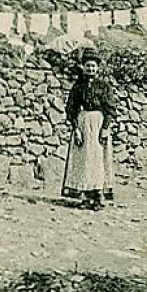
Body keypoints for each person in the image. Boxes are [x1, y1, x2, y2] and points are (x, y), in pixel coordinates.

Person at [62, 53, 117, 210]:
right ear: (83, 67)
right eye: (88, 66)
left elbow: (110, 109)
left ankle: (98, 195)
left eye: (93, 66)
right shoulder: (78, 86)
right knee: (84, 159)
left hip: (98, 123)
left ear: (98, 68)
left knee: (98, 158)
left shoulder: (104, 86)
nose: (91, 68)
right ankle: (85, 196)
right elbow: (71, 108)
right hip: (83, 123)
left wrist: (105, 128)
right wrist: (76, 129)